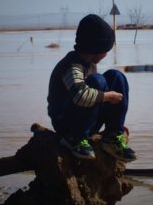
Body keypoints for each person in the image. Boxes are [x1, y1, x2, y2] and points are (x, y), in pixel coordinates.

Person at [47, 14, 136, 162]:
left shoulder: (90, 64)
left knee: (116, 76)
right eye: (106, 49)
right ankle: (75, 139)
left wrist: (112, 107)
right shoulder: (71, 65)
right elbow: (80, 95)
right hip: (66, 123)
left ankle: (113, 136)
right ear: (95, 48)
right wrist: (108, 97)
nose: (107, 53)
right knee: (97, 80)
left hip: (86, 119)